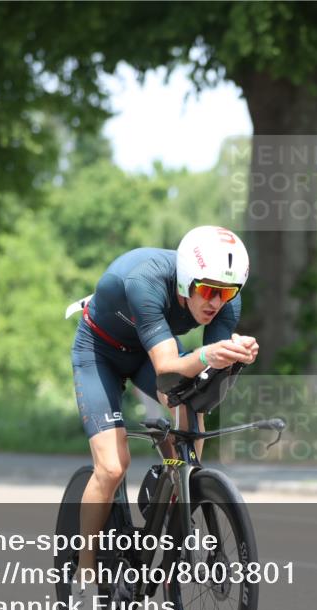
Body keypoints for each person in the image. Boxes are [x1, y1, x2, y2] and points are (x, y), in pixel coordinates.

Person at [68, 225, 259, 580]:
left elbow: (205, 392)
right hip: (100, 353)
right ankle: (84, 566)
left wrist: (234, 361)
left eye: (227, 293)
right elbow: (169, 367)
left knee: (191, 423)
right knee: (112, 466)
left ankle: (174, 504)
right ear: (186, 281)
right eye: (207, 291)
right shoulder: (146, 281)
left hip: (147, 351)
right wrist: (209, 353)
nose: (216, 303)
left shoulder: (225, 302)